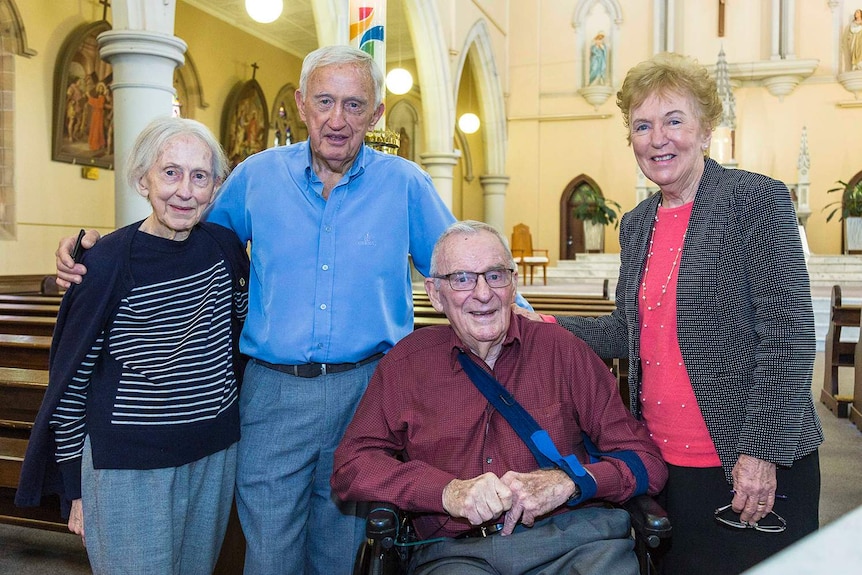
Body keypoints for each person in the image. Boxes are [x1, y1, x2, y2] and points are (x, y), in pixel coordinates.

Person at [54, 45, 457, 575]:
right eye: (325, 101)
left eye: (355, 105)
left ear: (376, 114)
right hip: (273, 393)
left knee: (345, 552)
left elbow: (461, 268)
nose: (338, 120)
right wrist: (94, 252)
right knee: (268, 554)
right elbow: (182, 236)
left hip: (369, 390)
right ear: (301, 104)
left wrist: (523, 316)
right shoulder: (255, 178)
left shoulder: (406, 184)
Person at [517, 52, 824, 575]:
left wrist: (759, 453)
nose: (658, 138)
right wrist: (544, 325)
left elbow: (787, 336)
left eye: (674, 120)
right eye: (642, 125)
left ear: (705, 130)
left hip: (746, 459)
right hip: (665, 462)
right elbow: (629, 332)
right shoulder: (637, 225)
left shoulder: (755, 199)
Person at [332, 220, 667, 575]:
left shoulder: (565, 352)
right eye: (462, 278)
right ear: (434, 293)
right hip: (458, 553)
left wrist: (569, 481)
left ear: (513, 283)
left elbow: (646, 462)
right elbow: (351, 465)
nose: (482, 293)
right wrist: (446, 492)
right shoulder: (406, 364)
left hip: (574, 542)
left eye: (495, 275)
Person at [16, 116, 249, 574]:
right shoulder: (103, 262)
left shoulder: (225, 250)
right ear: (142, 179)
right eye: (170, 172)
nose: (185, 190)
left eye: (199, 176)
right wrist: (74, 485)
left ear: (216, 186)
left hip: (212, 455)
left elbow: (240, 336)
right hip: (128, 464)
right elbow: (71, 380)